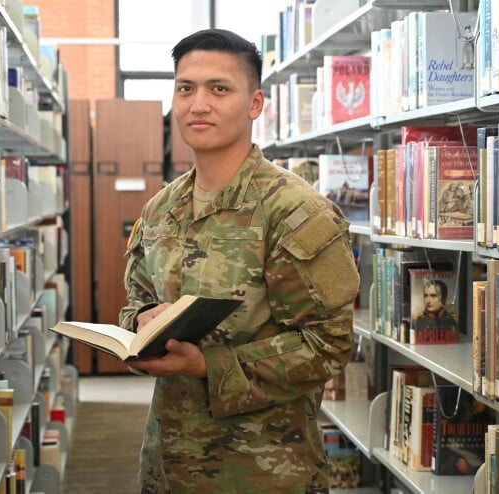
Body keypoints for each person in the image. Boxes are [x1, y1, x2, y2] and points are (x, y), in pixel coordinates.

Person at [119, 28, 360, 493]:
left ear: (254, 104)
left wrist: (208, 366)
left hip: (264, 471)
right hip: (167, 466)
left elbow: (329, 345)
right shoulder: (160, 210)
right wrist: (141, 326)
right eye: (185, 88)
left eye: (219, 89)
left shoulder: (294, 210)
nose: (198, 104)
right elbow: (136, 305)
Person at [412, 278, 458, 342]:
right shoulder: (419, 322)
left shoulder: (451, 321)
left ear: (444, 299)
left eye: (433, 296)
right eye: (425, 296)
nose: (428, 301)